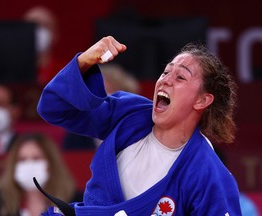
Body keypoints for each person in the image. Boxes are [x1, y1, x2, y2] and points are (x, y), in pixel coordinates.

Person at [37, 36, 242, 215]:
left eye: (180, 77)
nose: (165, 81)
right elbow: (53, 108)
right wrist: (83, 62)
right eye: (165, 72)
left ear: (202, 101)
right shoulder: (129, 114)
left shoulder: (207, 172)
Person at [0, 132, 82, 216]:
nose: (29, 165)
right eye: (22, 159)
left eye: (36, 158)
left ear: (51, 164)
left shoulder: (74, 201)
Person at [24, 6, 65, 86]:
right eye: (32, 26)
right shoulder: (8, 73)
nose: (38, 31)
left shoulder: (66, 70)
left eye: (45, 26)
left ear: (56, 34)